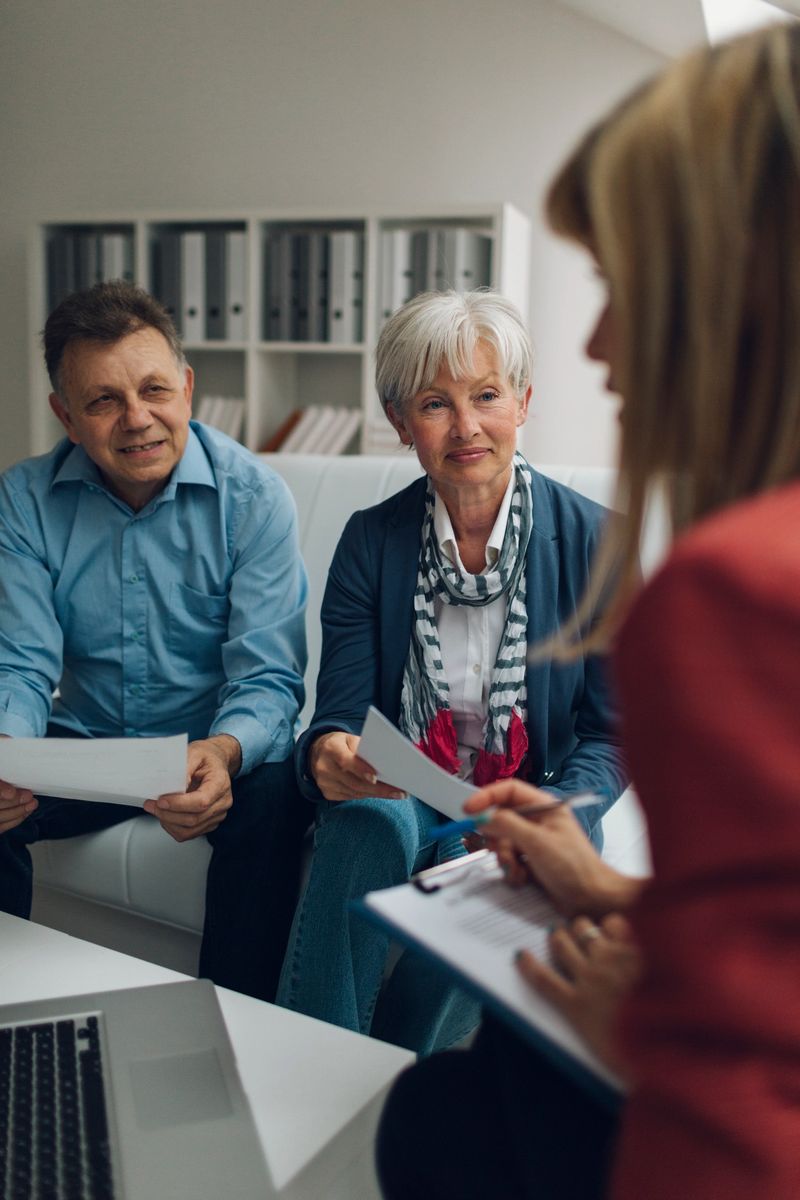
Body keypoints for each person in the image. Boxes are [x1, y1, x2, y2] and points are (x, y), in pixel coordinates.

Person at [376, 22, 800, 1200]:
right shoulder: (378, 541)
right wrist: (616, 895)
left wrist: (657, 1038)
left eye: (619, 283)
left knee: (443, 1114)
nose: (597, 344)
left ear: (735, 282)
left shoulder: (731, 588)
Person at [276, 289, 627, 1055]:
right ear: (402, 423)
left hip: (528, 799)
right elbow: (339, 714)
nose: (466, 427)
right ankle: (310, 1061)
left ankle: (392, 1075)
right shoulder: (370, 540)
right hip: (405, 790)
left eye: (487, 396)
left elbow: (611, 736)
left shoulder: (600, 544)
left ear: (523, 402)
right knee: (366, 818)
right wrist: (328, 751)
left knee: (508, 883)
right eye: (436, 404)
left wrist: (553, 816)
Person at [0, 280, 312, 1003]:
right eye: (104, 400)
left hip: (208, 749)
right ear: (65, 416)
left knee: (274, 793)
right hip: (86, 748)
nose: (137, 419)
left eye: (154, 390)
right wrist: (8, 756)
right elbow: (21, 663)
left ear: (187, 389)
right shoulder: (23, 499)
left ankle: (235, 1022)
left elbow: (267, 678)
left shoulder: (255, 498)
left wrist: (224, 751)